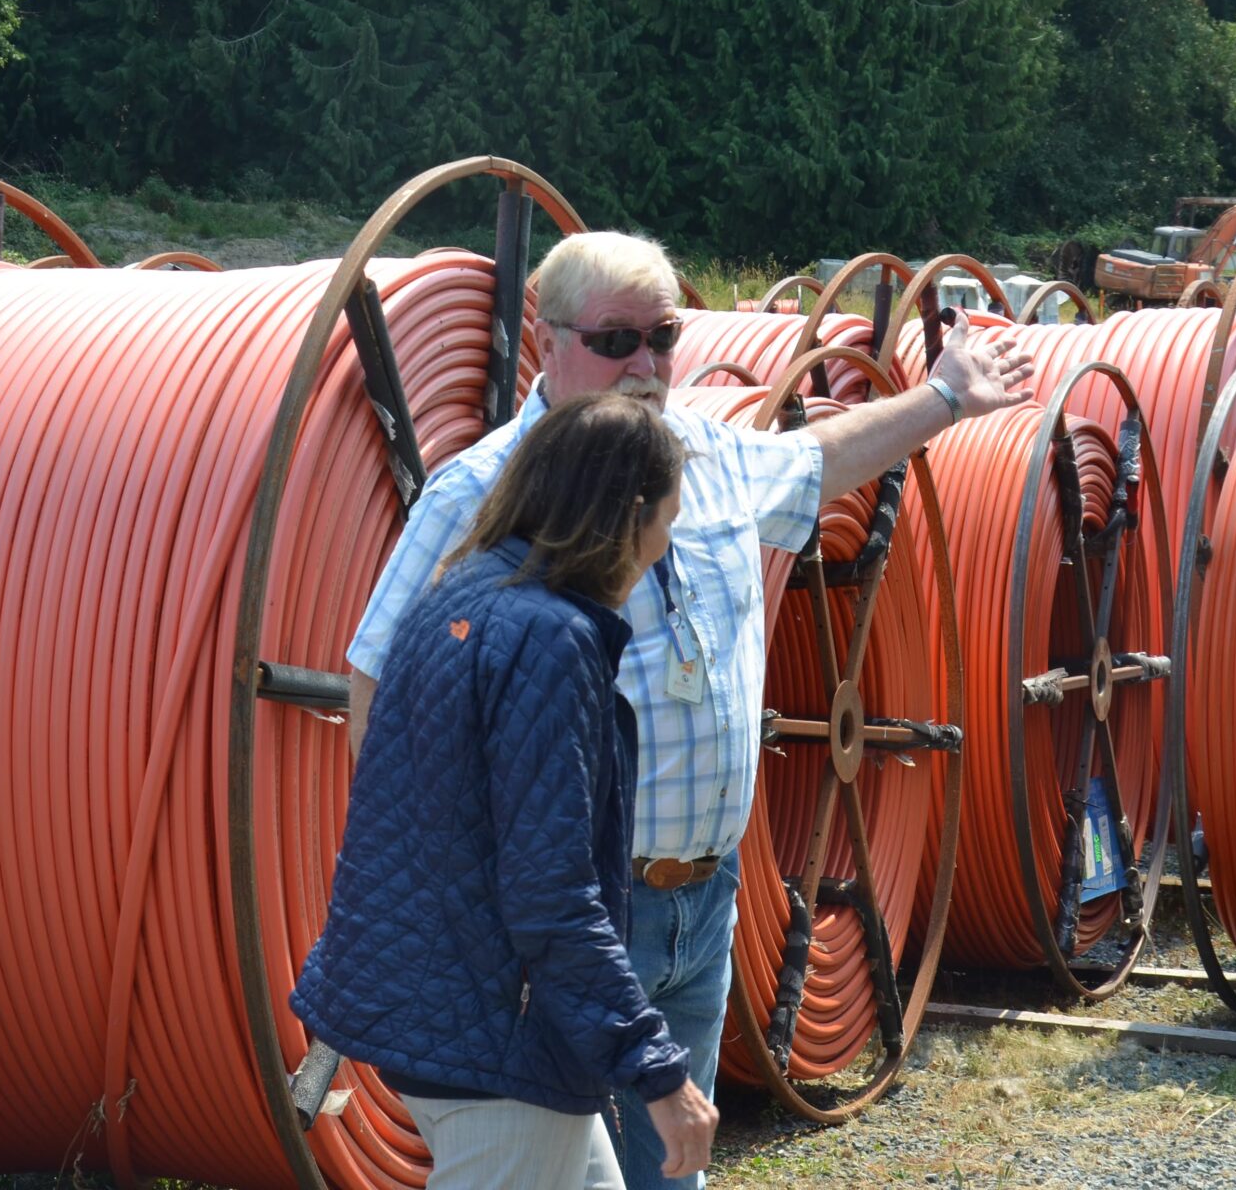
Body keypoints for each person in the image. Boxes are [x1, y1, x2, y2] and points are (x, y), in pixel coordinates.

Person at [347, 233, 1033, 1189]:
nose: (646, 364)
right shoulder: (484, 495)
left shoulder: (702, 455)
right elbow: (382, 687)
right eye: (616, 339)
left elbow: (813, 463)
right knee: (539, 1163)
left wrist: (946, 397)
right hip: (569, 923)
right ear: (548, 342)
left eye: (662, 336)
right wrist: (456, 900)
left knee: (660, 1173)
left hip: (702, 906)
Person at [295, 393, 708, 1190]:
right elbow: (551, 893)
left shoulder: (462, 593)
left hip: (434, 1010)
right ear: (627, 517)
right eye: (667, 520)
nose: (665, 546)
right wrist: (658, 1071)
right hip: (498, 1043)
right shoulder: (553, 639)